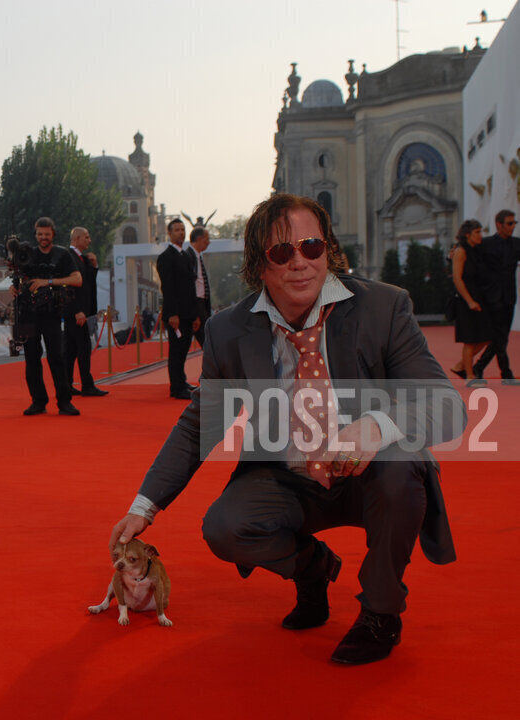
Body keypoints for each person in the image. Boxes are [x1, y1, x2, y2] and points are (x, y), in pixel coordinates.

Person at [108, 193, 463, 665]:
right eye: (281, 252)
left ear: (328, 249)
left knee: (402, 464)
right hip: (288, 478)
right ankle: (314, 571)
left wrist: (378, 426)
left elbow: (446, 404)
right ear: (259, 264)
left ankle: (381, 613)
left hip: (372, 474)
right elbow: (200, 426)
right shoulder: (229, 331)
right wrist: (144, 506)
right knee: (225, 527)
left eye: (311, 247)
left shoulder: (383, 307)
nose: (299, 262)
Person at [17, 217, 82, 416]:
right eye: (39, 234)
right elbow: (19, 278)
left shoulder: (63, 254)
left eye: (46, 234)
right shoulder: (27, 254)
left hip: (52, 314)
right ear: (35, 234)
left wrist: (48, 281)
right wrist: (15, 287)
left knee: (57, 358)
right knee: (31, 359)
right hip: (27, 314)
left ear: (53, 234)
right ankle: (38, 401)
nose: (43, 237)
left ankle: (64, 402)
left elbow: (77, 280)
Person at [472, 210, 519, 384]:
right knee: (500, 336)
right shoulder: (486, 244)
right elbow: (468, 255)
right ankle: (505, 373)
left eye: (515, 223)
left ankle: (479, 367)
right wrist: (451, 257)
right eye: (510, 223)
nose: (513, 226)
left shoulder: (516, 244)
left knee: (501, 337)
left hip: (509, 297)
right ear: (499, 224)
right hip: (491, 297)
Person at [156, 218, 198, 400]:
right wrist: (172, 314)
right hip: (175, 314)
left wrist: (196, 314)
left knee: (184, 349)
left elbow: (191, 286)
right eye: (176, 230)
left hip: (189, 312)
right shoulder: (166, 257)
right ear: (170, 233)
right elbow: (168, 288)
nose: (180, 233)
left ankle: (182, 380)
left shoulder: (187, 256)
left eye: (182, 229)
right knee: (176, 350)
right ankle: (176, 387)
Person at [449, 219, 493, 387]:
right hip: (465, 301)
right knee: (470, 339)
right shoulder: (461, 251)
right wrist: (469, 301)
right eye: (477, 232)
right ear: (467, 235)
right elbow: (457, 279)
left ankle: (461, 365)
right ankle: (469, 375)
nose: (480, 235)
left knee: (486, 337)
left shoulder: (477, 250)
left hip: (478, 298)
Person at [64, 227, 107, 397]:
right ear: (77, 238)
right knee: (81, 349)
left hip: (82, 312)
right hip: (75, 313)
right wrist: (77, 311)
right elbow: (69, 287)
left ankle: (67, 385)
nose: (89, 240)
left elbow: (87, 283)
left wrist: (94, 266)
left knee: (71, 350)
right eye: (87, 237)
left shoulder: (83, 258)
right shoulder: (68, 257)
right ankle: (86, 385)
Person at [185, 226, 212, 348]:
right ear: (200, 239)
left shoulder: (198, 257)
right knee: (207, 340)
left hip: (201, 303)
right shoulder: (187, 257)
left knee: (208, 339)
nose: (209, 242)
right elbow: (188, 285)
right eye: (207, 239)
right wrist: (194, 313)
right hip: (195, 304)